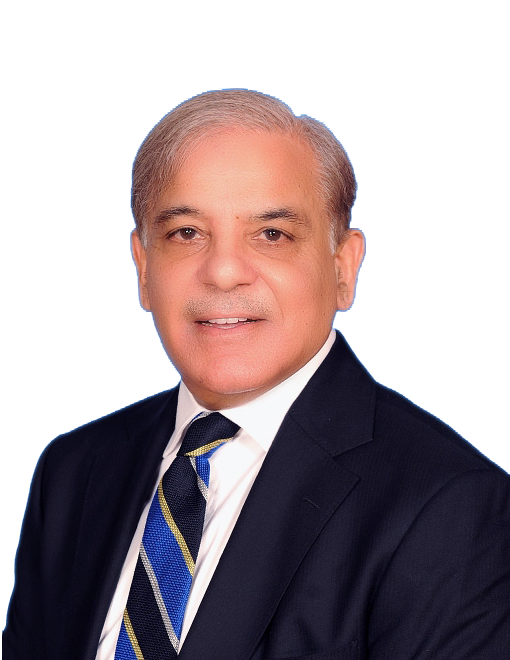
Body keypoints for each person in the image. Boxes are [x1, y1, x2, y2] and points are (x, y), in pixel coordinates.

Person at [3, 89, 509, 660]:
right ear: (142, 268)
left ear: (344, 268)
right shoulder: (74, 470)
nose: (222, 271)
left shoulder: (451, 505)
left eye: (272, 234)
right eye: (186, 232)